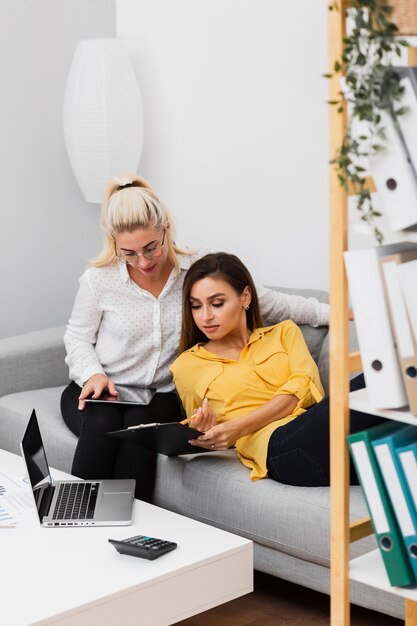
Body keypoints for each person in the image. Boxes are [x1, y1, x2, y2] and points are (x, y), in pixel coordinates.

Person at [61, 175, 330, 501]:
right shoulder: (99, 280)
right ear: (114, 244)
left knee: (140, 431)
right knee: (103, 422)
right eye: (129, 254)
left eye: (151, 248)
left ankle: (137, 529)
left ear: (167, 229)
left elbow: (267, 301)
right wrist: (93, 374)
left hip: (159, 395)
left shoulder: (196, 268)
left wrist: (334, 313)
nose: (143, 262)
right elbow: (76, 336)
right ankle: (70, 518)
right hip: (102, 389)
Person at [170, 252, 385, 486]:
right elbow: (197, 429)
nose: (205, 317)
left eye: (217, 303)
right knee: (381, 379)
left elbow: (306, 387)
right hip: (280, 451)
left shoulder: (284, 333)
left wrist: (237, 426)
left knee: (391, 400)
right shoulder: (186, 365)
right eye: (195, 306)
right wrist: (204, 430)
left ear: (245, 297)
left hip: (319, 436)